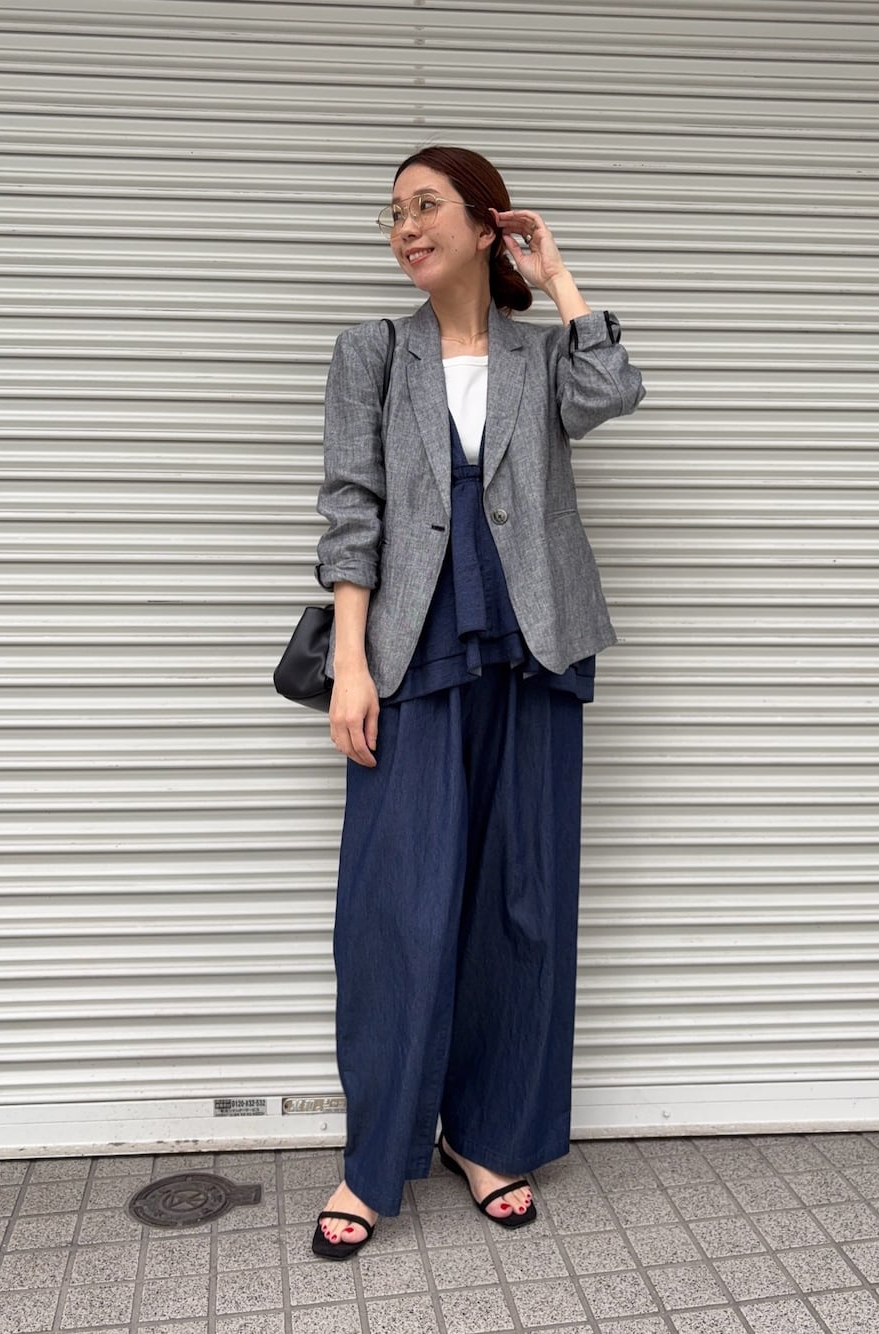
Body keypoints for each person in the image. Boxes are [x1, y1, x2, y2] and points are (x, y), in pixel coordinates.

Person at [311, 146, 645, 1259]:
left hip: (535, 651)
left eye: (426, 205)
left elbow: (612, 395)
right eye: (392, 213)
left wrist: (557, 278)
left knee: (521, 905)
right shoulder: (372, 352)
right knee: (396, 911)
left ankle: (491, 1134)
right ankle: (375, 1159)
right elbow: (351, 507)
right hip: (413, 653)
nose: (405, 228)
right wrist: (350, 663)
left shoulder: (541, 355)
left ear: (483, 220)